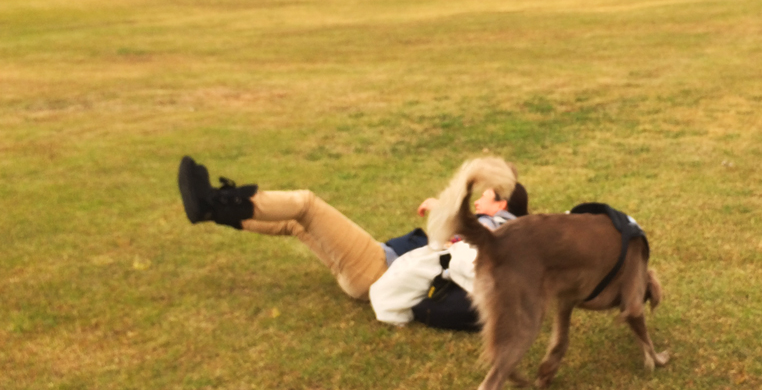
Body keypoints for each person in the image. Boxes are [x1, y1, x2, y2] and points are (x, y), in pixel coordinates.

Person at [176, 156, 528, 325]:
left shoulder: (500, 226)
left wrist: (444, 208)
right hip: (378, 265)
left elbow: (477, 242)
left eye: (486, 195)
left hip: (376, 270)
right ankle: (212, 212)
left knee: (306, 205)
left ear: (501, 205)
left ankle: (214, 203)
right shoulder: (496, 225)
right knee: (296, 225)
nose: (479, 200)